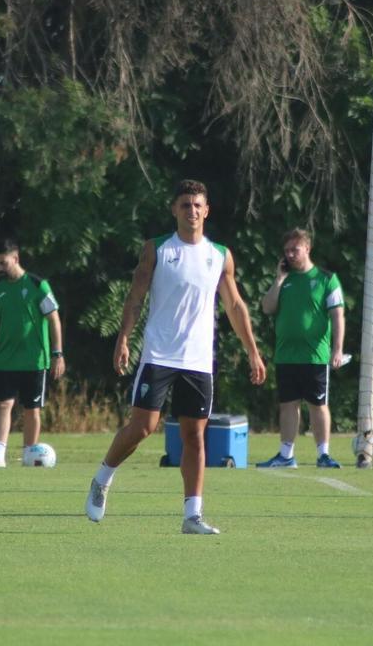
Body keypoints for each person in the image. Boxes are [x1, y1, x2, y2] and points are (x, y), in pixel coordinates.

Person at [85, 179, 266, 534]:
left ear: (207, 210)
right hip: (158, 354)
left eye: (198, 205)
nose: (192, 211)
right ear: (174, 210)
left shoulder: (220, 256)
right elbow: (135, 297)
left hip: (197, 361)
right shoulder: (157, 250)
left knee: (195, 436)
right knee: (143, 428)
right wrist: (123, 338)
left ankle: (192, 516)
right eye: (185, 205)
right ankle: (103, 477)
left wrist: (253, 351)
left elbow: (235, 306)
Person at [256, 228, 346, 469]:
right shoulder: (285, 280)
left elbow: (338, 315)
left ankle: (323, 454)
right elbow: (267, 307)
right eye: (287, 251)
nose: (290, 255)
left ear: (307, 248)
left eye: (295, 249)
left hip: (314, 356)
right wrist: (278, 280)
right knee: (288, 405)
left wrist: (337, 350)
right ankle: (286, 455)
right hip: (286, 355)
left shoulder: (327, 279)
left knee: (317, 404)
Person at [0, 238, 65, 468]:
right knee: (2, 405)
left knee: (31, 409)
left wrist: (58, 354)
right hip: (5, 360)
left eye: (3, 263)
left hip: (34, 360)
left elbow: (53, 319)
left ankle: (29, 455)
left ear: (15, 258)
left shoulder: (37, 285)